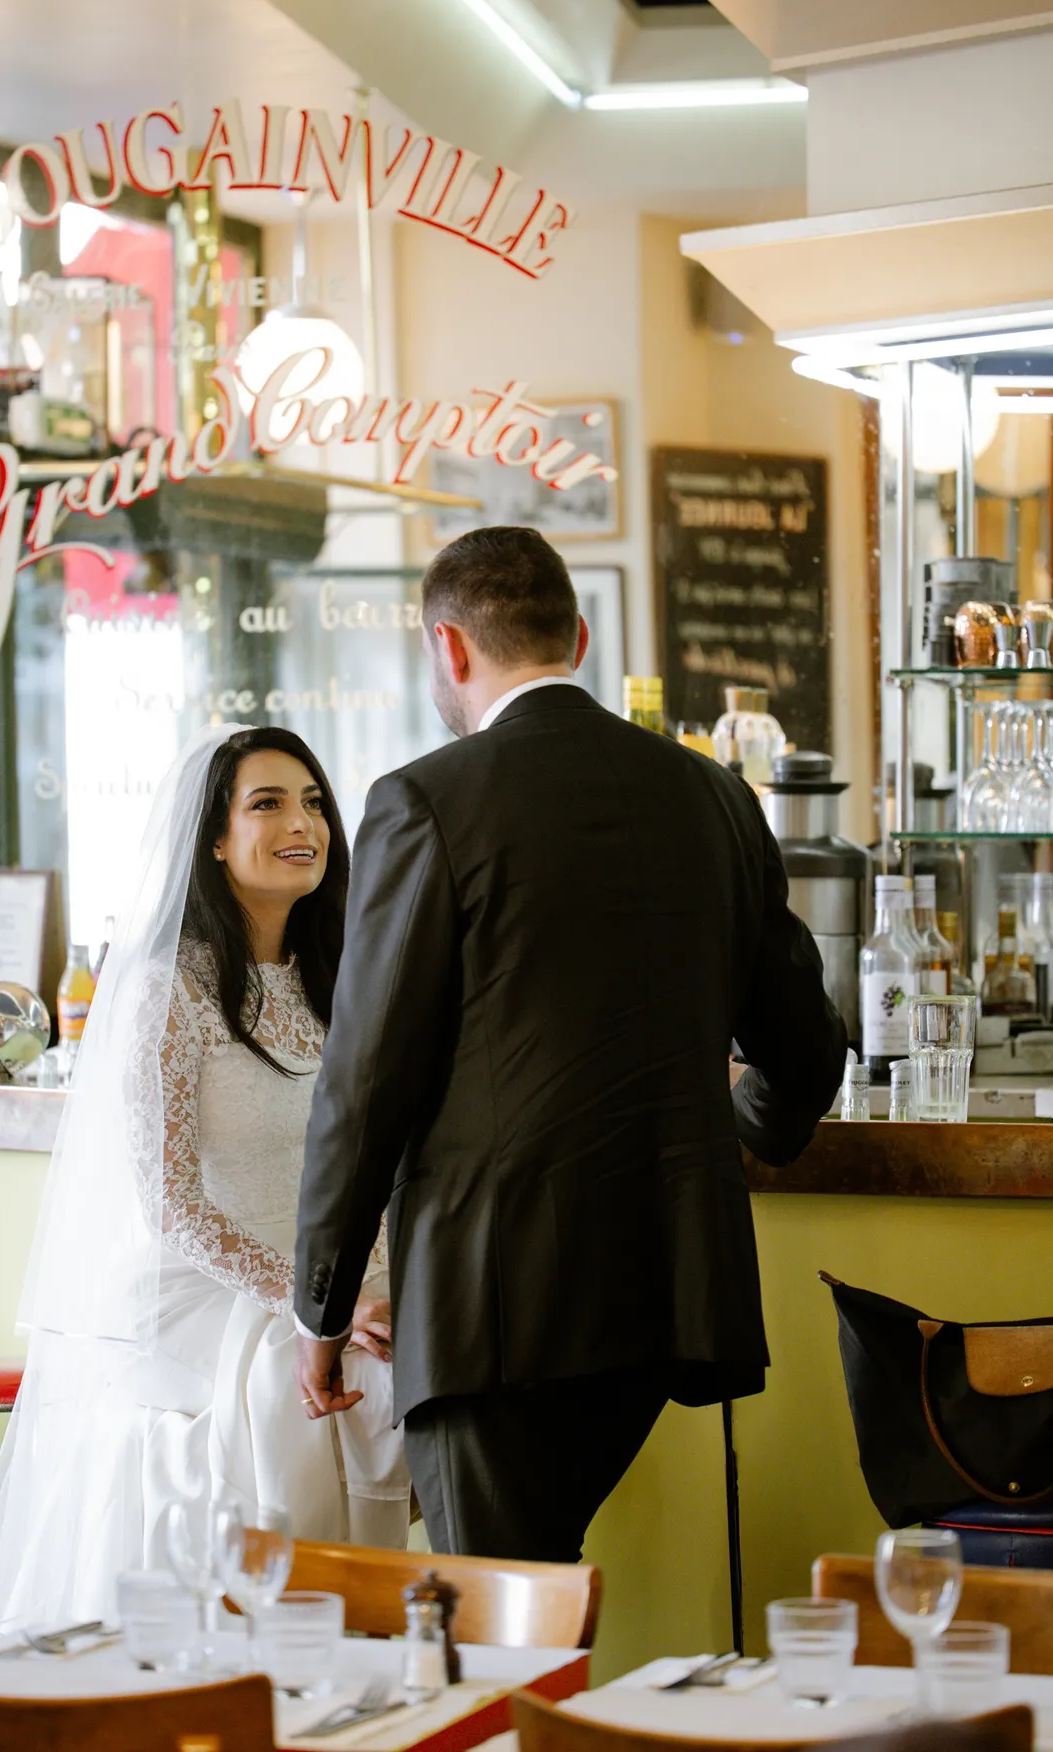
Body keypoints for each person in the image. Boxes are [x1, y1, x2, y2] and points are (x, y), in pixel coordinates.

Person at [294, 526, 847, 1564]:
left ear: (447, 648)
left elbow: (366, 1085)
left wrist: (319, 1308)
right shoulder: (714, 796)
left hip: (490, 1306)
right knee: (533, 1603)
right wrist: (747, 1121)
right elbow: (804, 1048)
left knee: (494, 1632)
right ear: (579, 638)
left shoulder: (423, 802)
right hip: (662, 1291)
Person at [0, 726, 407, 1646]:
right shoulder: (170, 989)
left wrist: (377, 1285)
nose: (303, 824)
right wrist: (313, 1302)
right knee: (298, 1389)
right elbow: (170, 1206)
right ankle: (292, 1652)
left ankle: (378, 1658)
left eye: (313, 802)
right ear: (211, 836)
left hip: (340, 1269)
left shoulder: (341, 980)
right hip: (208, 1282)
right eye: (268, 804)